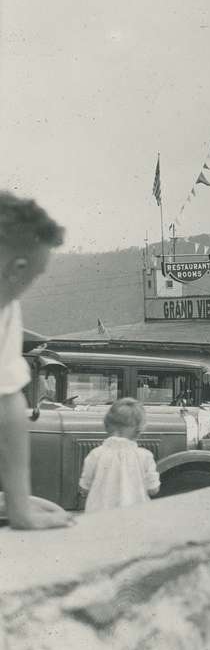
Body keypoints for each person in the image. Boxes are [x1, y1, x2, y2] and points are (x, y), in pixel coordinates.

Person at [0, 191, 73, 529]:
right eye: (36, 275)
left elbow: (7, 400)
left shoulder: (7, 310)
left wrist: (19, 506)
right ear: (16, 268)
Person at [79, 398, 160, 512]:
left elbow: (84, 488)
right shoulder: (145, 456)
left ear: (107, 424)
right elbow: (153, 489)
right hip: (134, 518)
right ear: (139, 429)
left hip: (99, 517)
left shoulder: (95, 454)